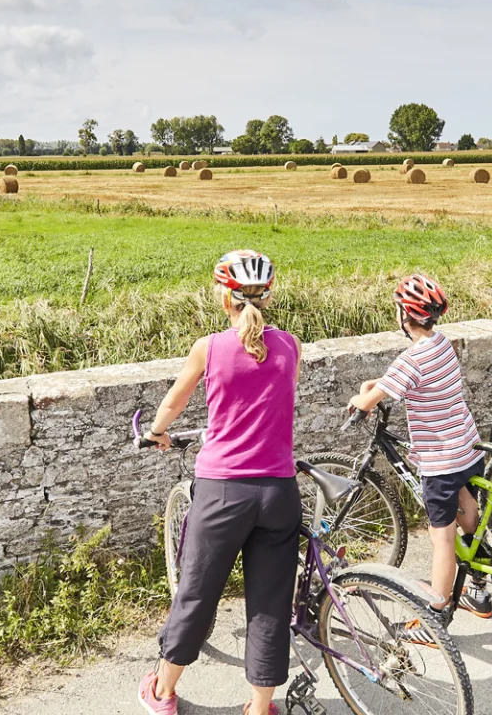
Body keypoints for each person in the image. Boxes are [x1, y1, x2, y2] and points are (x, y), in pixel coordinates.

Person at [139, 250, 301, 715]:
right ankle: (260, 707)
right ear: (267, 295)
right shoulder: (291, 345)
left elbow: (173, 404)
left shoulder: (208, 347)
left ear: (223, 296)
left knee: (196, 593)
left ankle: (163, 693)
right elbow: (276, 401)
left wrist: (155, 432)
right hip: (279, 491)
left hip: (223, 490)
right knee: (270, 604)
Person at [346, 275, 492, 621]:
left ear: (404, 315)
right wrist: (377, 383)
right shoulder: (441, 343)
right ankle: (478, 587)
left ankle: (438, 611)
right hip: (467, 447)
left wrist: (359, 398)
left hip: (441, 460)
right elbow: (399, 380)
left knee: (441, 538)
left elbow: (370, 400)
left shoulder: (410, 361)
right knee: (468, 512)